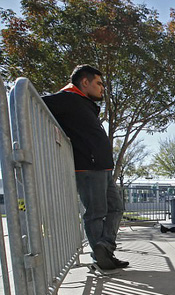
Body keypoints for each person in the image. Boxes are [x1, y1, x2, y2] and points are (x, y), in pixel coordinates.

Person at [43, 64, 127, 270]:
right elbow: (36, 104)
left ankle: (104, 248)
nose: (102, 88)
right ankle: (101, 257)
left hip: (103, 167)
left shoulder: (83, 103)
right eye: (99, 83)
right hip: (88, 168)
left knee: (116, 208)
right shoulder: (68, 98)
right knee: (96, 213)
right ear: (84, 82)